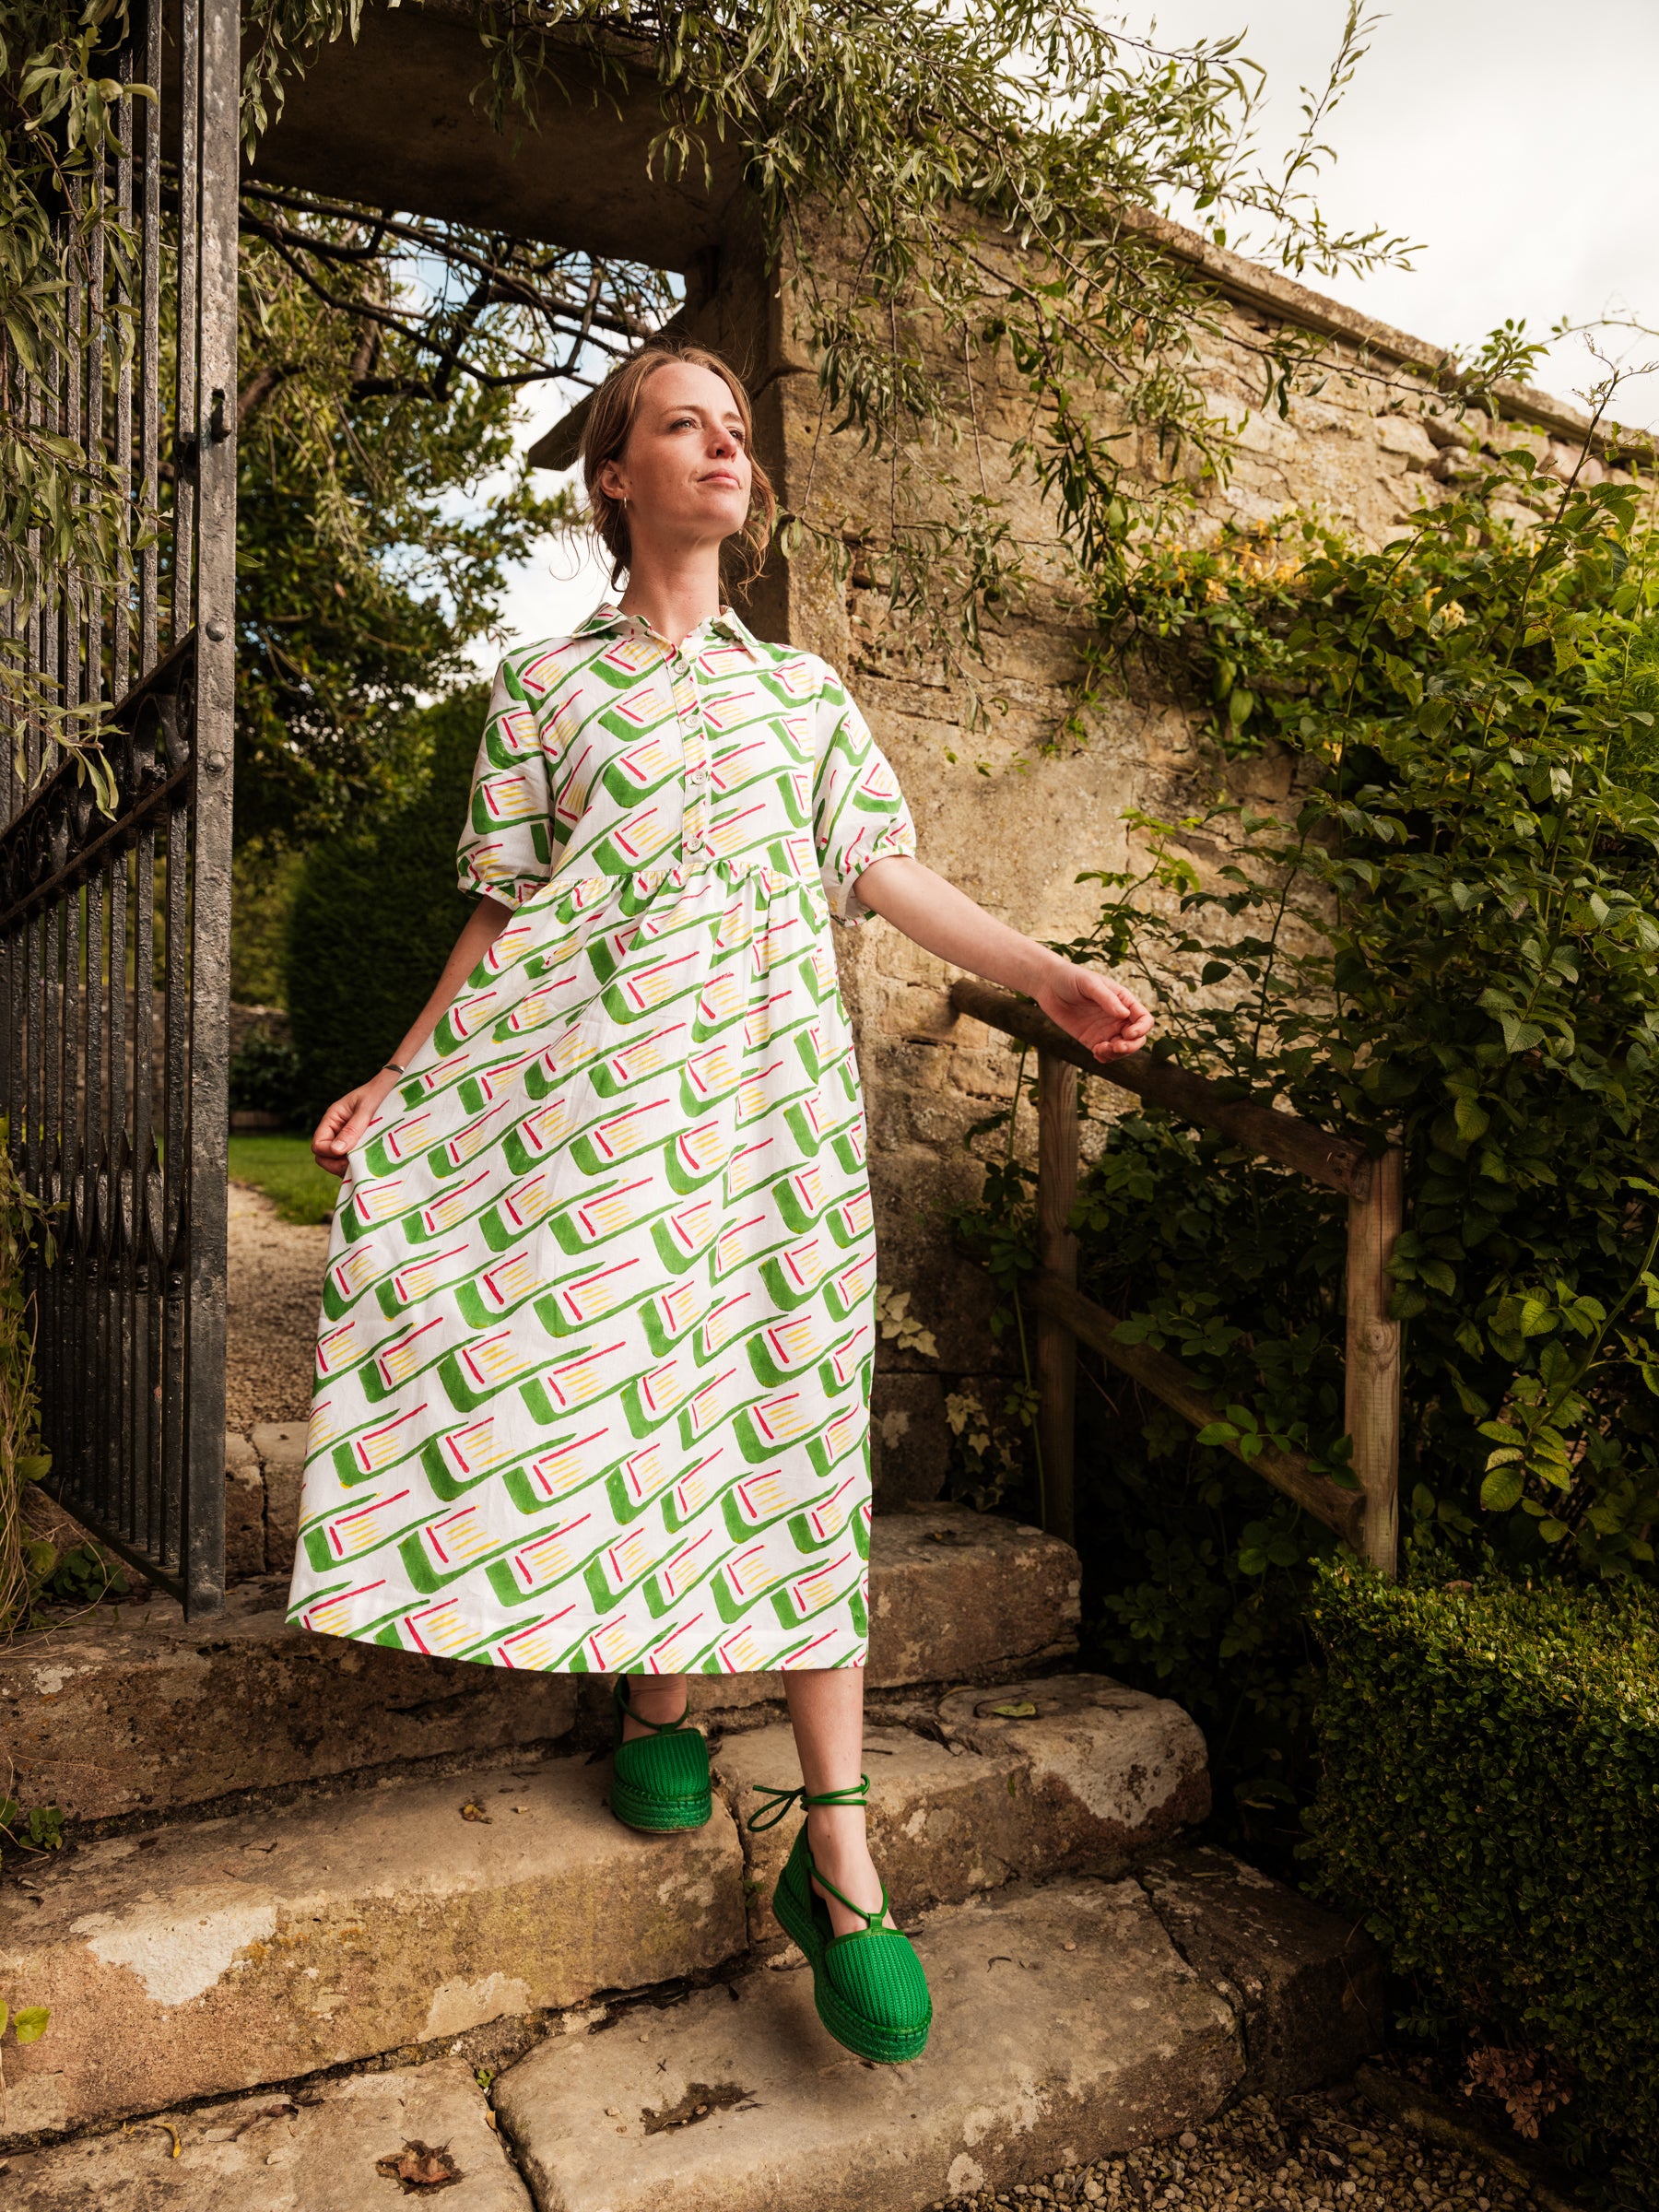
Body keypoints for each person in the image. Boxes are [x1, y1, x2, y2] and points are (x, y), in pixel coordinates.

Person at [288, 339, 1151, 2069]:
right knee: (621, 1389)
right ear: (616, 476)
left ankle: (839, 1852)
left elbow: (882, 869)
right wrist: (400, 1070)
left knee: (782, 1416)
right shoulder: (545, 690)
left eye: (739, 428)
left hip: (769, 1118)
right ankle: (659, 1698)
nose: (726, 448)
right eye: (686, 425)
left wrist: (1042, 970)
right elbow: (502, 909)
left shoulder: (802, 697)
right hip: (596, 1106)